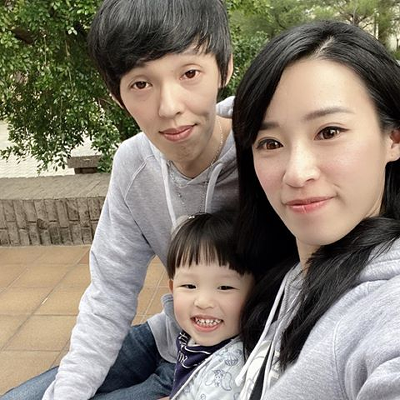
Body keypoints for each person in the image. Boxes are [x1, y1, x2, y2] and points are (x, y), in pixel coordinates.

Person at [2, 0, 237, 399]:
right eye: (141, 84)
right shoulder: (133, 164)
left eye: (190, 73)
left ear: (224, 68)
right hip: (169, 339)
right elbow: (110, 293)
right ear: (117, 97)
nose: (169, 107)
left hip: (237, 360)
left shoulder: (269, 150)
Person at [232, 20, 400, 399]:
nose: (296, 173)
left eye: (329, 132)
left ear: (392, 138)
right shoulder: (288, 274)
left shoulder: (388, 306)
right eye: (270, 143)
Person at [165, 212, 254, 399]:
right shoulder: (193, 337)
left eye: (225, 287)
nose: (203, 302)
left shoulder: (229, 370)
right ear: (172, 288)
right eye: (189, 286)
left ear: (254, 292)